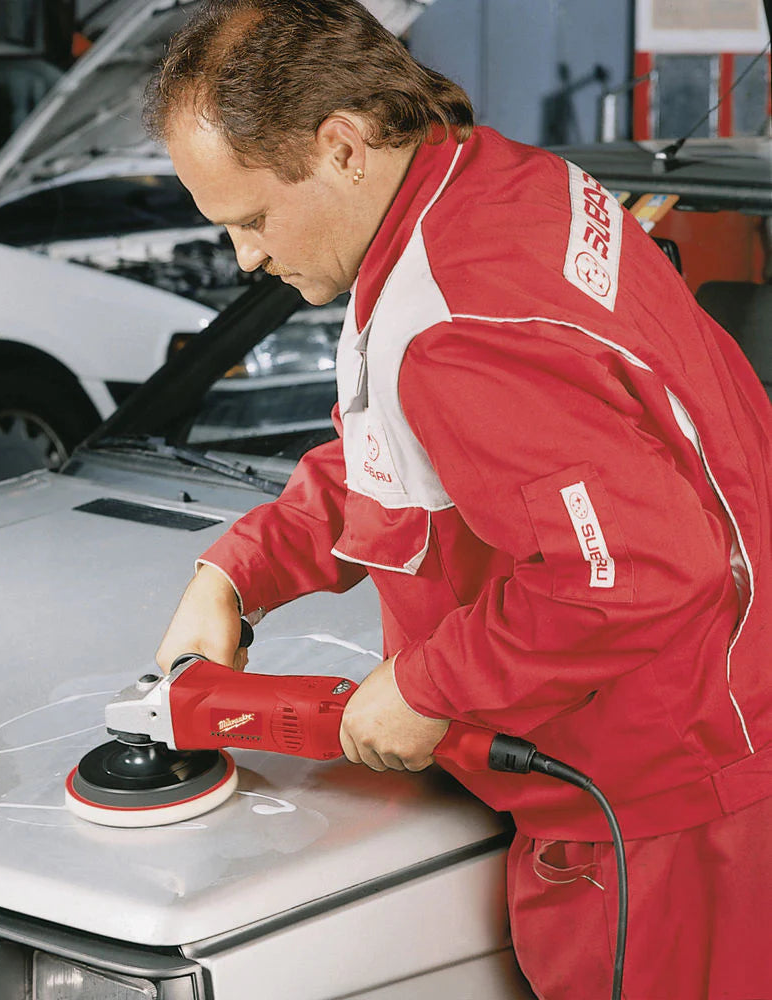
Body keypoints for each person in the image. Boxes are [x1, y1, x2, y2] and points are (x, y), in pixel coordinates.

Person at [144, 2, 772, 996]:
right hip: (690, 761)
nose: (245, 257)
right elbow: (414, 453)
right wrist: (240, 570)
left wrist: (432, 686)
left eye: (251, 219)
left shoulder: (458, 318)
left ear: (341, 146)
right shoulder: (484, 188)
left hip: (662, 823)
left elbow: (636, 569)